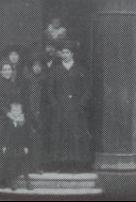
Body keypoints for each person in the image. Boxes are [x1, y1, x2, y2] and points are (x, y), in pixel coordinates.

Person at [48, 42, 92, 173]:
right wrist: (55, 104)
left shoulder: (80, 70)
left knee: (75, 135)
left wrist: (81, 103)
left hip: (76, 109)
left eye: (68, 52)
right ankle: (61, 164)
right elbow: (50, 90)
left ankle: (75, 164)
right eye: (63, 53)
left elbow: (87, 89)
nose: (65, 55)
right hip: (60, 109)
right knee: (60, 135)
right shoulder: (55, 70)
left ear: (72, 54)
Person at [23, 54, 46, 172]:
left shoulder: (44, 80)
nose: (37, 68)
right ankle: (27, 166)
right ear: (31, 67)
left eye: (39, 66)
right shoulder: (27, 80)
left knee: (38, 141)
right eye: (35, 66)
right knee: (27, 139)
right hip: (29, 113)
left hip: (40, 114)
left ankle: (37, 166)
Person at [2, 102, 32, 191]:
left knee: (23, 164)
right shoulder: (8, 122)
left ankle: (28, 182)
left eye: (17, 110)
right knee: (12, 164)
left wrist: (26, 146)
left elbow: (26, 135)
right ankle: (13, 182)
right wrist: (4, 146)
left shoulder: (23, 122)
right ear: (10, 111)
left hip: (21, 146)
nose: (15, 112)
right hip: (10, 146)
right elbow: (5, 135)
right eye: (13, 110)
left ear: (21, 112)